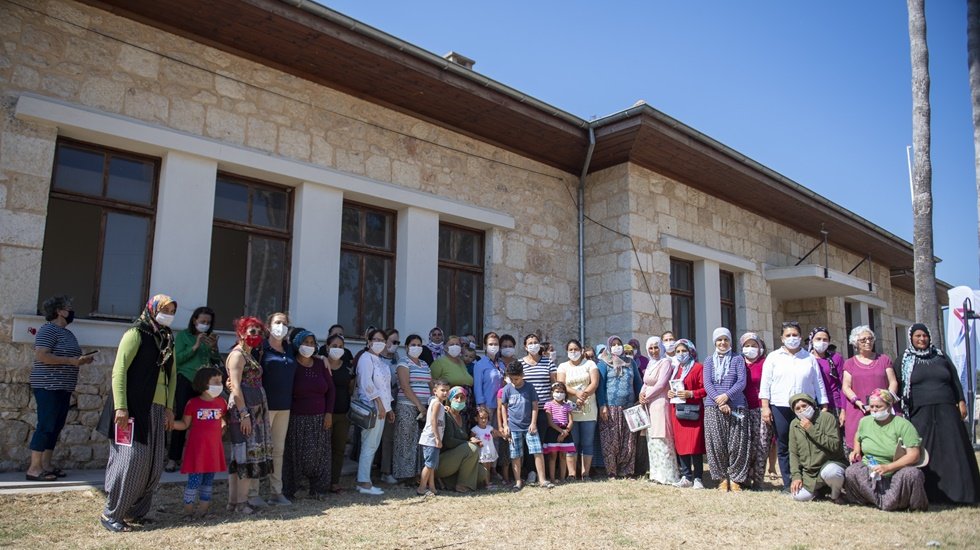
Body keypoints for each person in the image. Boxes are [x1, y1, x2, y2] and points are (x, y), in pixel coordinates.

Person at [98, 295, 178, 532]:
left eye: (173, 310)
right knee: (132, 460)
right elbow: (119, 370)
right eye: (165, 309)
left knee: (153, 463)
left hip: (156, 409)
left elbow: (172, 374)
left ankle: (136, 512)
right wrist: (120, 407)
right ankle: (112, 514)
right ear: (152, 309)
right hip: (132, 408)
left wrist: (170, 408)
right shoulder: (136, 334)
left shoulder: (166, 338)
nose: (169, 314)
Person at [899, 323, 980, 505]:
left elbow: (954, 381)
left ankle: (963, 495)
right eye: (918, 336)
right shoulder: (904, 360)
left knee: (954, 451)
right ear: (911, 338)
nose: (922, 339)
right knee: (926, 453)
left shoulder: (941, 356)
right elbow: (898, 386)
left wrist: (961, 401)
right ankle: (931, 495)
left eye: (925, 336)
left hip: (947, 411)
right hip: (920, 414)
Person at [28, 295, 94, 482]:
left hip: (63, 386)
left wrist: (82, 360)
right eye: (68, 307)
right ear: (59, 311)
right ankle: (34, 468)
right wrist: (70, 361)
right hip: (48, 386)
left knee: (56, 426)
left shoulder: (67, 333)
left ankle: (46, 465)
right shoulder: (48, 330)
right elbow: (42, 356)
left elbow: (71, 357)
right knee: (46, 425)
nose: (71, 310)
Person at [760, 321, 828, 488]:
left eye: (795, 335)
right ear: (782, 338)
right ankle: (788, 482)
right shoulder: (773, 357)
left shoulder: (809, 358)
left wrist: (824, 405)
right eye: (788, 335)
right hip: (780, 406)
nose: (792, 338)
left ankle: (808, 481)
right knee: (784, 444)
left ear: (800, 337)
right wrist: (765, 406)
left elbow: (818, 383)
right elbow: (765, 383)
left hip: (804, 408)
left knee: (805, 443)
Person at [843, 388, 928, 511]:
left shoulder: (903, 425)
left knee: (913, 474)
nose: (874, 410)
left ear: (889, 406)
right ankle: (867, 500)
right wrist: (856, 450)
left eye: (878, 406)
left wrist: (888, 467)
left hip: (896, 470)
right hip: (870, 467)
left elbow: (914, 455)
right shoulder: (864, 421)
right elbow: (858, 435)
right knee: (851, 472)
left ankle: (908, 505)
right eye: (871, 406)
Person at [225, 316, 274, 515]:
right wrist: (244, 414)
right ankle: (241, 503)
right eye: (251, 331)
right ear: (241, 333)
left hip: (256, 411)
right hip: (244, 412)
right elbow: (235, 387)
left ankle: (234, 502)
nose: (255, 335)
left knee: (242, 457)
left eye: (259, 332)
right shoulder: (237, 355)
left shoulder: (250, 355)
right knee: (242, 456)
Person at [282, 329, 335, 501]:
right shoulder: (291, 365)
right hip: (298, 417)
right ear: (298, 344)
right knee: (295, 455)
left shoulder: (320, 364)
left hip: (320, 418)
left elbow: (331, 390)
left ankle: (318, 489)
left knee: (319, 455)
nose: (309, 346)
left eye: (312, 343)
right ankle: (291, 489)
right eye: (306, 343)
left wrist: (328, 413)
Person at [167, 306, 220, 473]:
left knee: (204, 421)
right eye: (202, 321)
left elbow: (216, 360)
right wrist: (195, 346)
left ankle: (200, 457)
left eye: (208, 322)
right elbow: (177, 358)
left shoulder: (210, 338)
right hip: (186, 380)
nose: (205, 324)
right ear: (194, 320)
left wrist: (213, 348)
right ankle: (173, 458)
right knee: (182, 417)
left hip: (204, 384)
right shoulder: (184, 336)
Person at [169, 367, 226, 519]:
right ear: (203, 383)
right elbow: (184, 424)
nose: (219, 385)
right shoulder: (192, 404)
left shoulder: (222, 403)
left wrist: (223, 424)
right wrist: (171, 424)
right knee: (194, 482)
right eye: (215, 382)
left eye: (220, 382)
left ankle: (203, 511)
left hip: (213, 450)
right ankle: (188, 512)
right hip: (197, 451)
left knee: (208, 482)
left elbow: (222, 418)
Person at [254, 311, 296, 506]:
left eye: (285, 323)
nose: (282, 326)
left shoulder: (289, 348)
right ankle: (252, 493)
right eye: (278, 322)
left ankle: (276, 492)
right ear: (269, 327)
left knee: (278, 450)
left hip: (284, 407)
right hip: (263, 407)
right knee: (259, 449)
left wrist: (321, 360)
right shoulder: (259, 348)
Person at [702, 327, 749, 491]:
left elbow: (741, 382)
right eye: (719, 340)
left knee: (737, 444)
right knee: (717, 444)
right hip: (713, 407)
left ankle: (736, 478)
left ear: (730, 341)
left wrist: (727, 396)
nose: (722, 343)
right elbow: (707, 383)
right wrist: (719, 400)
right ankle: (721, 478)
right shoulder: (708, 361)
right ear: (715, 342)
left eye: (726, 339)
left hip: (736, 405)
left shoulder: (738, 359)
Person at [841, 325, 898, 453]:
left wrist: (887, 399)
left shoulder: (884, 359)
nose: (868, 342)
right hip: (859, 410)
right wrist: (857, 401)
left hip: (883, 408)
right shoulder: (849, 363)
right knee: (860, 445)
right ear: (856, 343)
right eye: (863, 340)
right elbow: (846, 386)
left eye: (870, 338)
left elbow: (893, 381)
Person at [596, 335, 642, 478]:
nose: (617, 347)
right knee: (610, 441)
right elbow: (600, 387)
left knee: (628, 441)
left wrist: (640, 399)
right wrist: (602, 405)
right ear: (609, 347)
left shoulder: (630, 362)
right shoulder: (603, 363)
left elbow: (638, 383)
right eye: (613, 344)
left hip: (629, 407)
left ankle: (626, 471)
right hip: (610, 407)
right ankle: (612, 471)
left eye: (619, 344)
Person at [355, 328, 394, 495]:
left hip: (383, 409)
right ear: (369, 341)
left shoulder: (381, 362)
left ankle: (366, 479)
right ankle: (363, 482)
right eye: (375, 339)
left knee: (373, 444)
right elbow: (366, 383)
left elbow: (385, 388)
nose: (379, 343)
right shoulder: (365, 358)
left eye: (382, 340)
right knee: (369, 444)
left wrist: (389, 408)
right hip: (372, 407)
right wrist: (379, 404)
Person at [500, 361, 550, 490]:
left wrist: (533, 423)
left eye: (516, 378)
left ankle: (542, 480)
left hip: (529, 426)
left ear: (522, 375)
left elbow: (535, 406)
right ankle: (518, 481)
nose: (514, 381)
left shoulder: (529, 387)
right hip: (513, 427)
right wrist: (505, 425)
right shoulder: (507, 389)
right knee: (515, 454)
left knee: (537, 451)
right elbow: (503, 408)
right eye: (511, 379)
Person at [787, 392, 845, 502]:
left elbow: (834, 445)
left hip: (829, 464)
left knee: (832, 473)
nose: (802, 410)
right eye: (798, 408)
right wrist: (796, 476)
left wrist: (811, 429)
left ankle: (835, 495)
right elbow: (793, 453)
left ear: (812, 404)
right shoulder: (794, 424)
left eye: (804, 406)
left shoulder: (827, 418)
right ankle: (819, 491)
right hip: (810, 474)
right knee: (798, 496)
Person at [556, 339, 600, 481]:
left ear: (581, 350)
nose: (573, 352)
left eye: (576, 349)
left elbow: (594, 382)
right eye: (570, 350)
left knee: (587, 442)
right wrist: (576, 393)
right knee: (572, 443)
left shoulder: (590, 364)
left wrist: (584, 395)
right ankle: (572, 474)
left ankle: (585, 473)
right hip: (570, 412)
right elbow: (561, 384)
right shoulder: (563, 366)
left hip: (589, 410)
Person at [639, 336, 679, 485]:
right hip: (649, 404)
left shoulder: (665, 362)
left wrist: (646, 396)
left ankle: (667, 475)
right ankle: (656, 475)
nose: (654, 351)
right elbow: (645, 383)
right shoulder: (650, 364)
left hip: (660, 403)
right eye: (651, 348)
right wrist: (641, 395)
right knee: (652, 439)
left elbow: (661, 384)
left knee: (662, 437)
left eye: (656, 347)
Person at [318, 331, 354, 493]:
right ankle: (319, 481)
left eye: (341, 347)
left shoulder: (347, 368)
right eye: (334, 346)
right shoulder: (320, 365)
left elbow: (351, 389)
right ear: (327, 347)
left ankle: (334, 481)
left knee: (338, 449)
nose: (337, 349)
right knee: (322, 448)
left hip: (343, 414)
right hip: (323, 413)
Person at [667, 339, 706, 489]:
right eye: (678, 351)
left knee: (695, 444)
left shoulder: (698, 367)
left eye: (684, 351)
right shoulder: (676, 369)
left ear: (690, 351)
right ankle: (686, 476)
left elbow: (704, 390)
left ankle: (698, 478)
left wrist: (690, 393)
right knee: (681, 444)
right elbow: (672, 386)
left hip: (693, 411)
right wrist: (671, 393)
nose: (681, 354)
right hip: (678, 411)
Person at [392, 333, 432, 481]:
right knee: (406, 440)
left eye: (419, 345)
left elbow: (430, 383)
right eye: (413, 345)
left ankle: (417, 474)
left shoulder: (424, 364)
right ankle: (403, 475)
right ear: (407, 347)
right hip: (407, 406)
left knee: (420, 442)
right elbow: (405, 386)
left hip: (424, 407)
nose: (416, 347)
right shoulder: (403, 362)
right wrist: (419, 405)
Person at [437, 386, 488, 492]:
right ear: (450, 399)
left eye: (462, 398)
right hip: (443, 461)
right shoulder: (446, 415)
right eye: (456, 397)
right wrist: (469, 442)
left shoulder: (463, 418)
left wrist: (473, 439)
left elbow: (464, 438)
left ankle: (449, 482)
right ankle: (463, 485)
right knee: (471, 448)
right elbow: (449, 442)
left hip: (458, 461)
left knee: (482, 473)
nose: (459, 400)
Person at [740, 332, 773, 489]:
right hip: (743, 409)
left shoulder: (766, 363)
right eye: (747, 345)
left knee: (762, 444)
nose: (750, 348)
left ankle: (758, 480)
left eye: (754, 345)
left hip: (761, 409)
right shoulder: (739, 363)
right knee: (746, 445)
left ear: (760, 347)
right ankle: (745, 478)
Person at [807, 327, 845, 429]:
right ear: (812, 340)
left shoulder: (836, 358)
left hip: (834, 404)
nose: (822, 342)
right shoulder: (805, 359)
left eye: (825, 339)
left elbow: (843, 384)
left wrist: (844, 409)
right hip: (811, 405)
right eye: (818, 339)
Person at [418, 380, 449, 496]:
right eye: (442, 390)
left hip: (432, 439)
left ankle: (432, 487)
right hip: (431, 438)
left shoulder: (437, 403)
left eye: (447, 390)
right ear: (435, 391)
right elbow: (433, 420)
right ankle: (421, 487)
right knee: (429, 464)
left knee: (432, 465)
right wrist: (437, 438)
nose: (445, 393)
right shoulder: (436, 404)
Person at [379, 328, 402, 485]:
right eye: (393, 342)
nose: (395, 345)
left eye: (397, 342)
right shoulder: (377, 358)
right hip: (380, 401)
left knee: (389, 437)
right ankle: (382, 471)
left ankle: (387, 470)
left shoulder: (397, 358)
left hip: (394, 399)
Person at [542, 381, 576, 483]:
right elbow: (550, 422)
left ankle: (562, 478)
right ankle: (552, 478)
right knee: (552, 456)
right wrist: (561, 431)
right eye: (557, 391)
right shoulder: (548, 404)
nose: (559, 393)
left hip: (565, 431)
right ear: (552, 392)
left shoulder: (567, 405)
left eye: (562, 392)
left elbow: (571, 420)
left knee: (563, 456)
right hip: (553, 431)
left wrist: (566, 431)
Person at [471, 406, 499, 488]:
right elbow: (471, 438)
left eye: (486, 418)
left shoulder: (490, 428)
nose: (484, 420)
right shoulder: (475, 429)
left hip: (489, 451)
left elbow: (497, 433)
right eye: (481, 418)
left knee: (488, 467)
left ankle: (488, 482)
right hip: (482, 452)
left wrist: (504, 435)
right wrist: (477, 441)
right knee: (485, 468)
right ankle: (487, 484)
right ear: (476, 419)